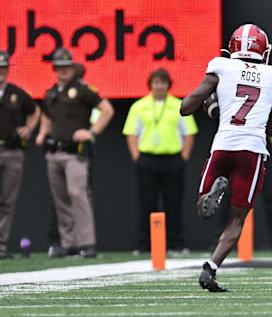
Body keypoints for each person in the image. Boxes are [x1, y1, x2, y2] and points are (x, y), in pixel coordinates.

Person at [180, 24, 272, 292]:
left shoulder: (221, 67)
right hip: (251, 149)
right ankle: (211, 268)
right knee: (237, 218)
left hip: (223, 143)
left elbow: (185, 107)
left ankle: (210, 196)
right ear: (263, 50)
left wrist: (215, 107)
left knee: (202, 209)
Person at [36, 48, 114, 258]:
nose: (63, 70)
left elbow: (107, 109)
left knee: (78, 194)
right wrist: (42, 134)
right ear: (55, 68)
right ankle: (68, 242)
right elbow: (46, 116)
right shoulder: (51, 92)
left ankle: (86, 242)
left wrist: (92, 131)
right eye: (60, 67)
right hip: (54, 151)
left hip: (75, 153)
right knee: (60, 198)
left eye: (67, 66)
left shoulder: (82, 90)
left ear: (72, 67)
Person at [123, 69, 198, 254]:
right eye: (156, 82)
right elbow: (131, 133)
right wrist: (137, 156)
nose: (159, 86)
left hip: (172, 160)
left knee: (173, 203)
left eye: (162, 83)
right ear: (150, 85)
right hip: (147, 160)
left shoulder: (178, 105)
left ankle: (176, 244)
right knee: (147, 203)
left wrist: (184, 157)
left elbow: (189, 133)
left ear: (168, 85)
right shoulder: (139, 106)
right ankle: (144, 245)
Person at [0, 50, 40, 258]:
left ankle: (1, 247)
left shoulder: (16, 93)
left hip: (12, 151)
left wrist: (28, 129)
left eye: (4, 68)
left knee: (7, 200)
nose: (1, 72)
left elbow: (35, 111)